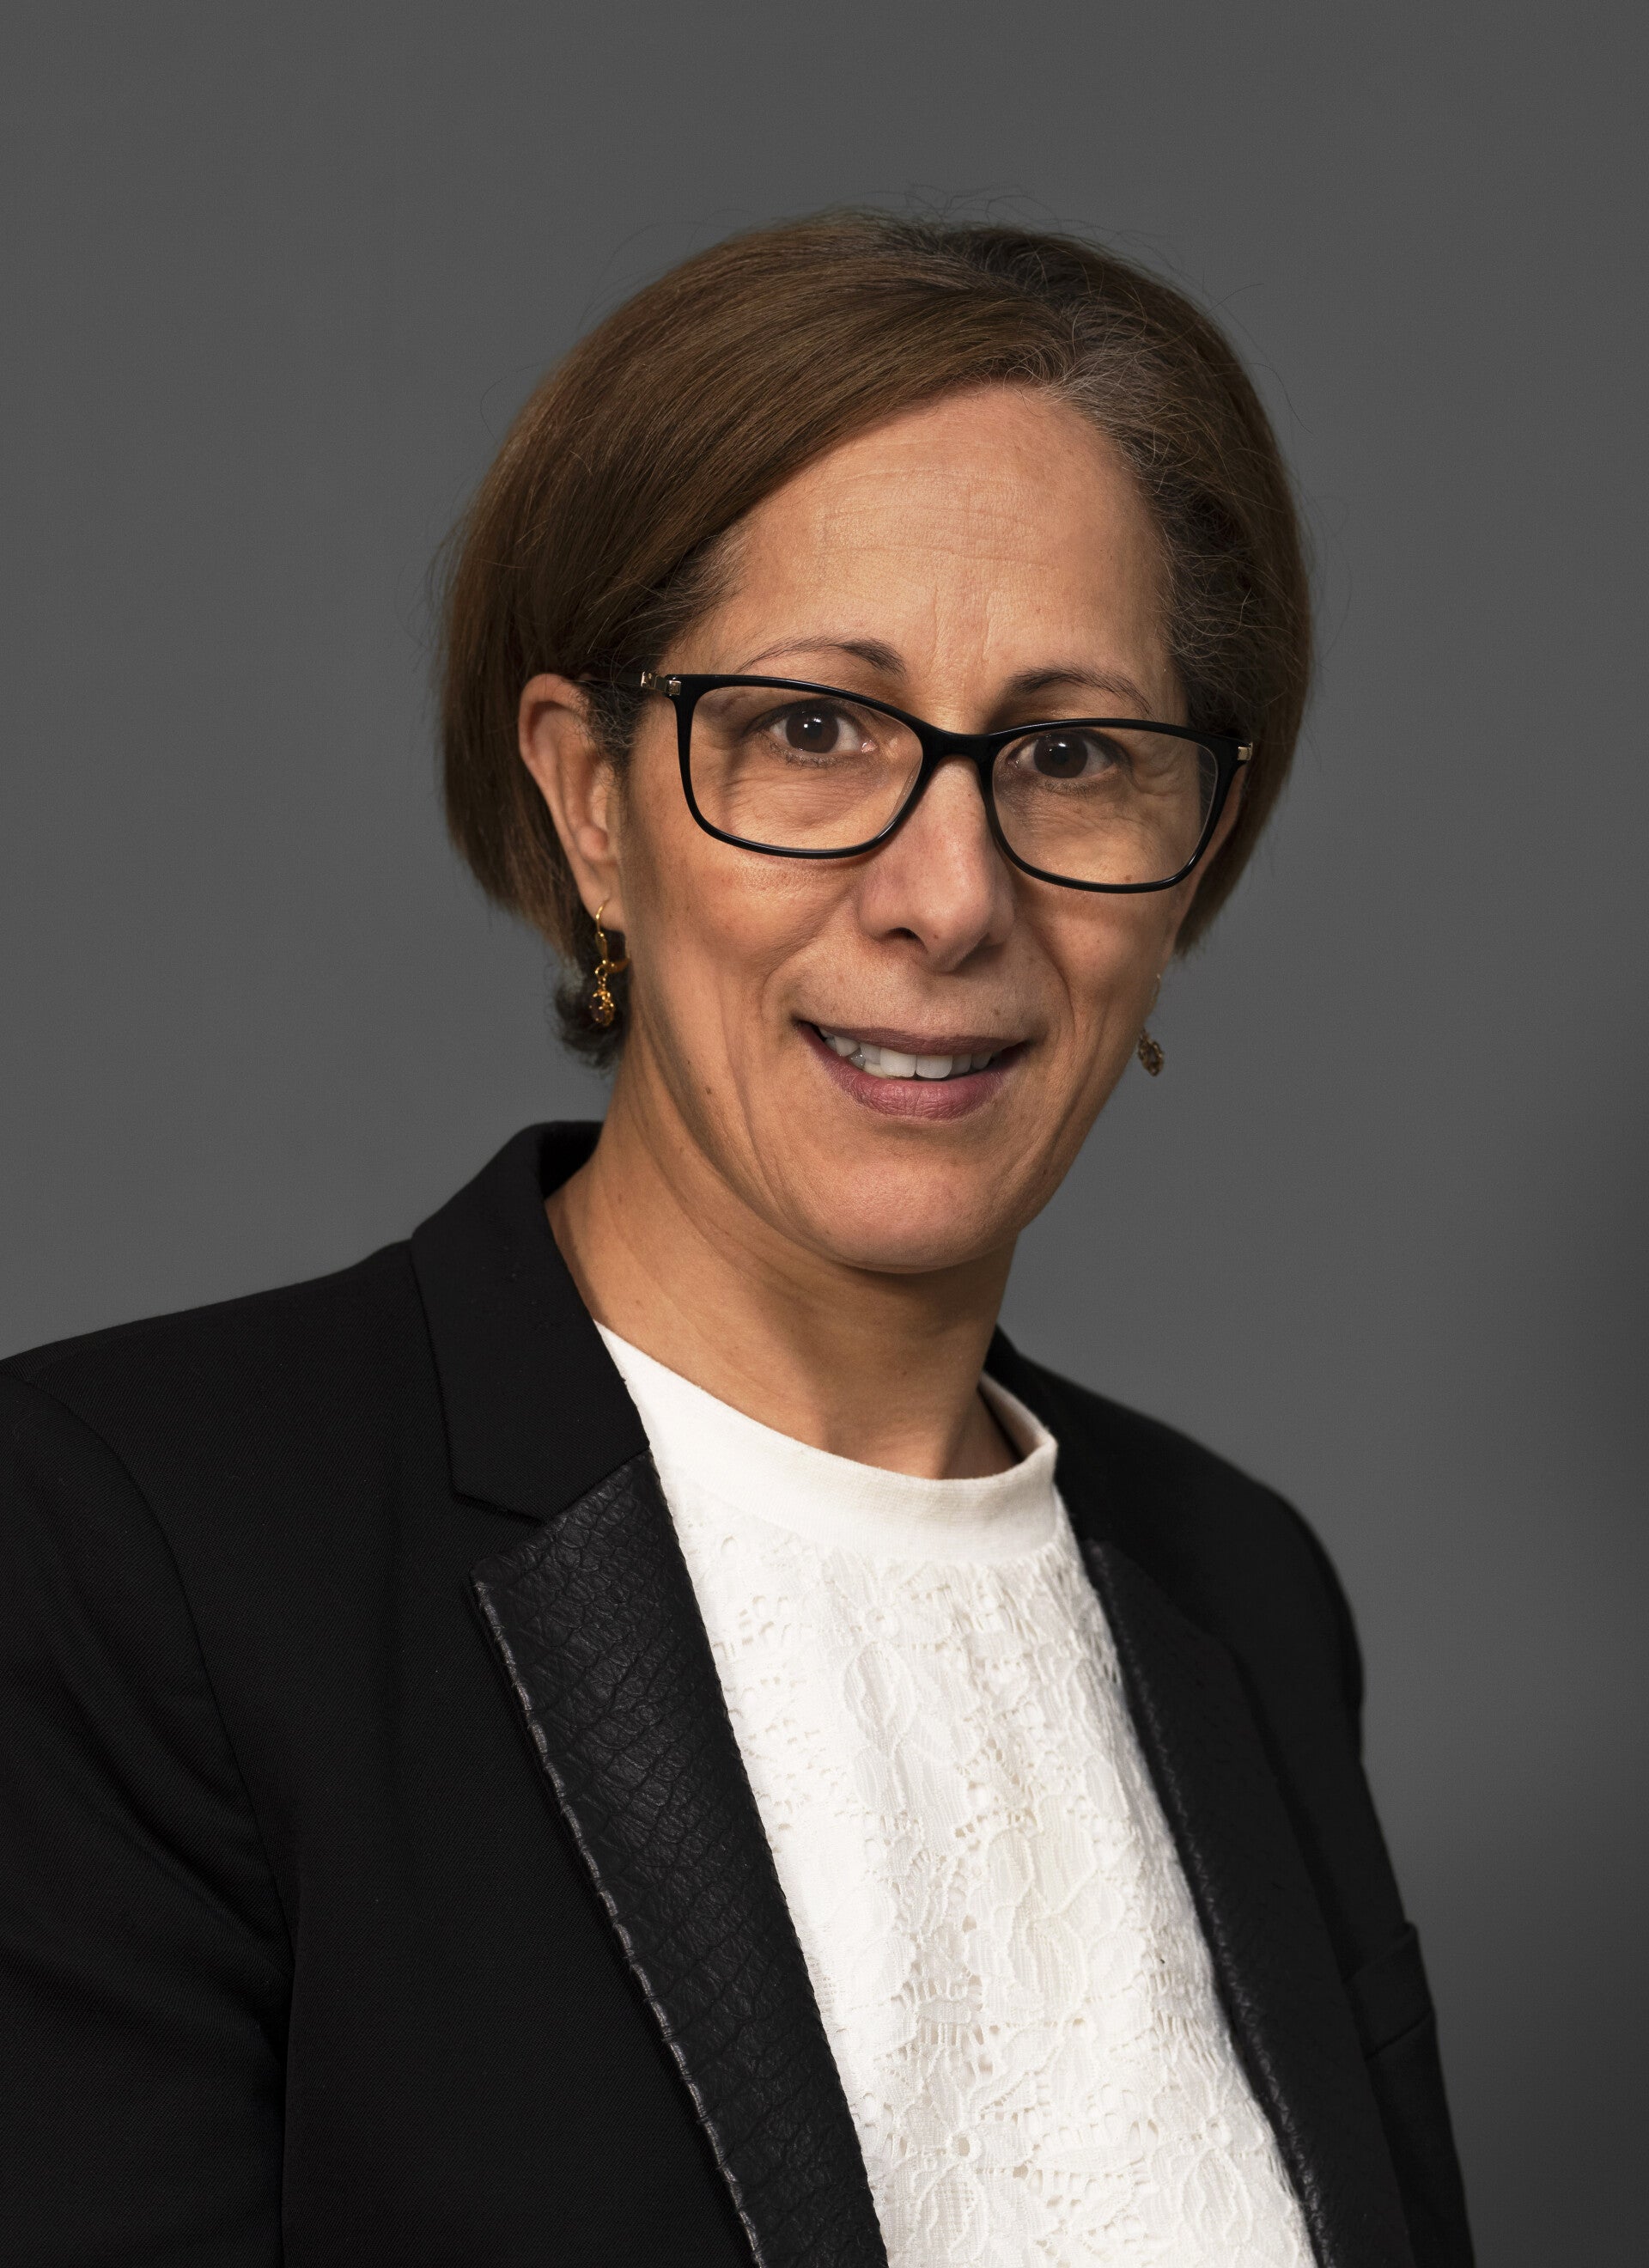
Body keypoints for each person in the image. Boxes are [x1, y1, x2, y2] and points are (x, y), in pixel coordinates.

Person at [0, 214, 1473, 2268]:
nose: (949, 897)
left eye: (1069, 756)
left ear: (1189, 852)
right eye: (812, 730)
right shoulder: (127, 1542)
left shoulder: (1246, 1593)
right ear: (592, 804)